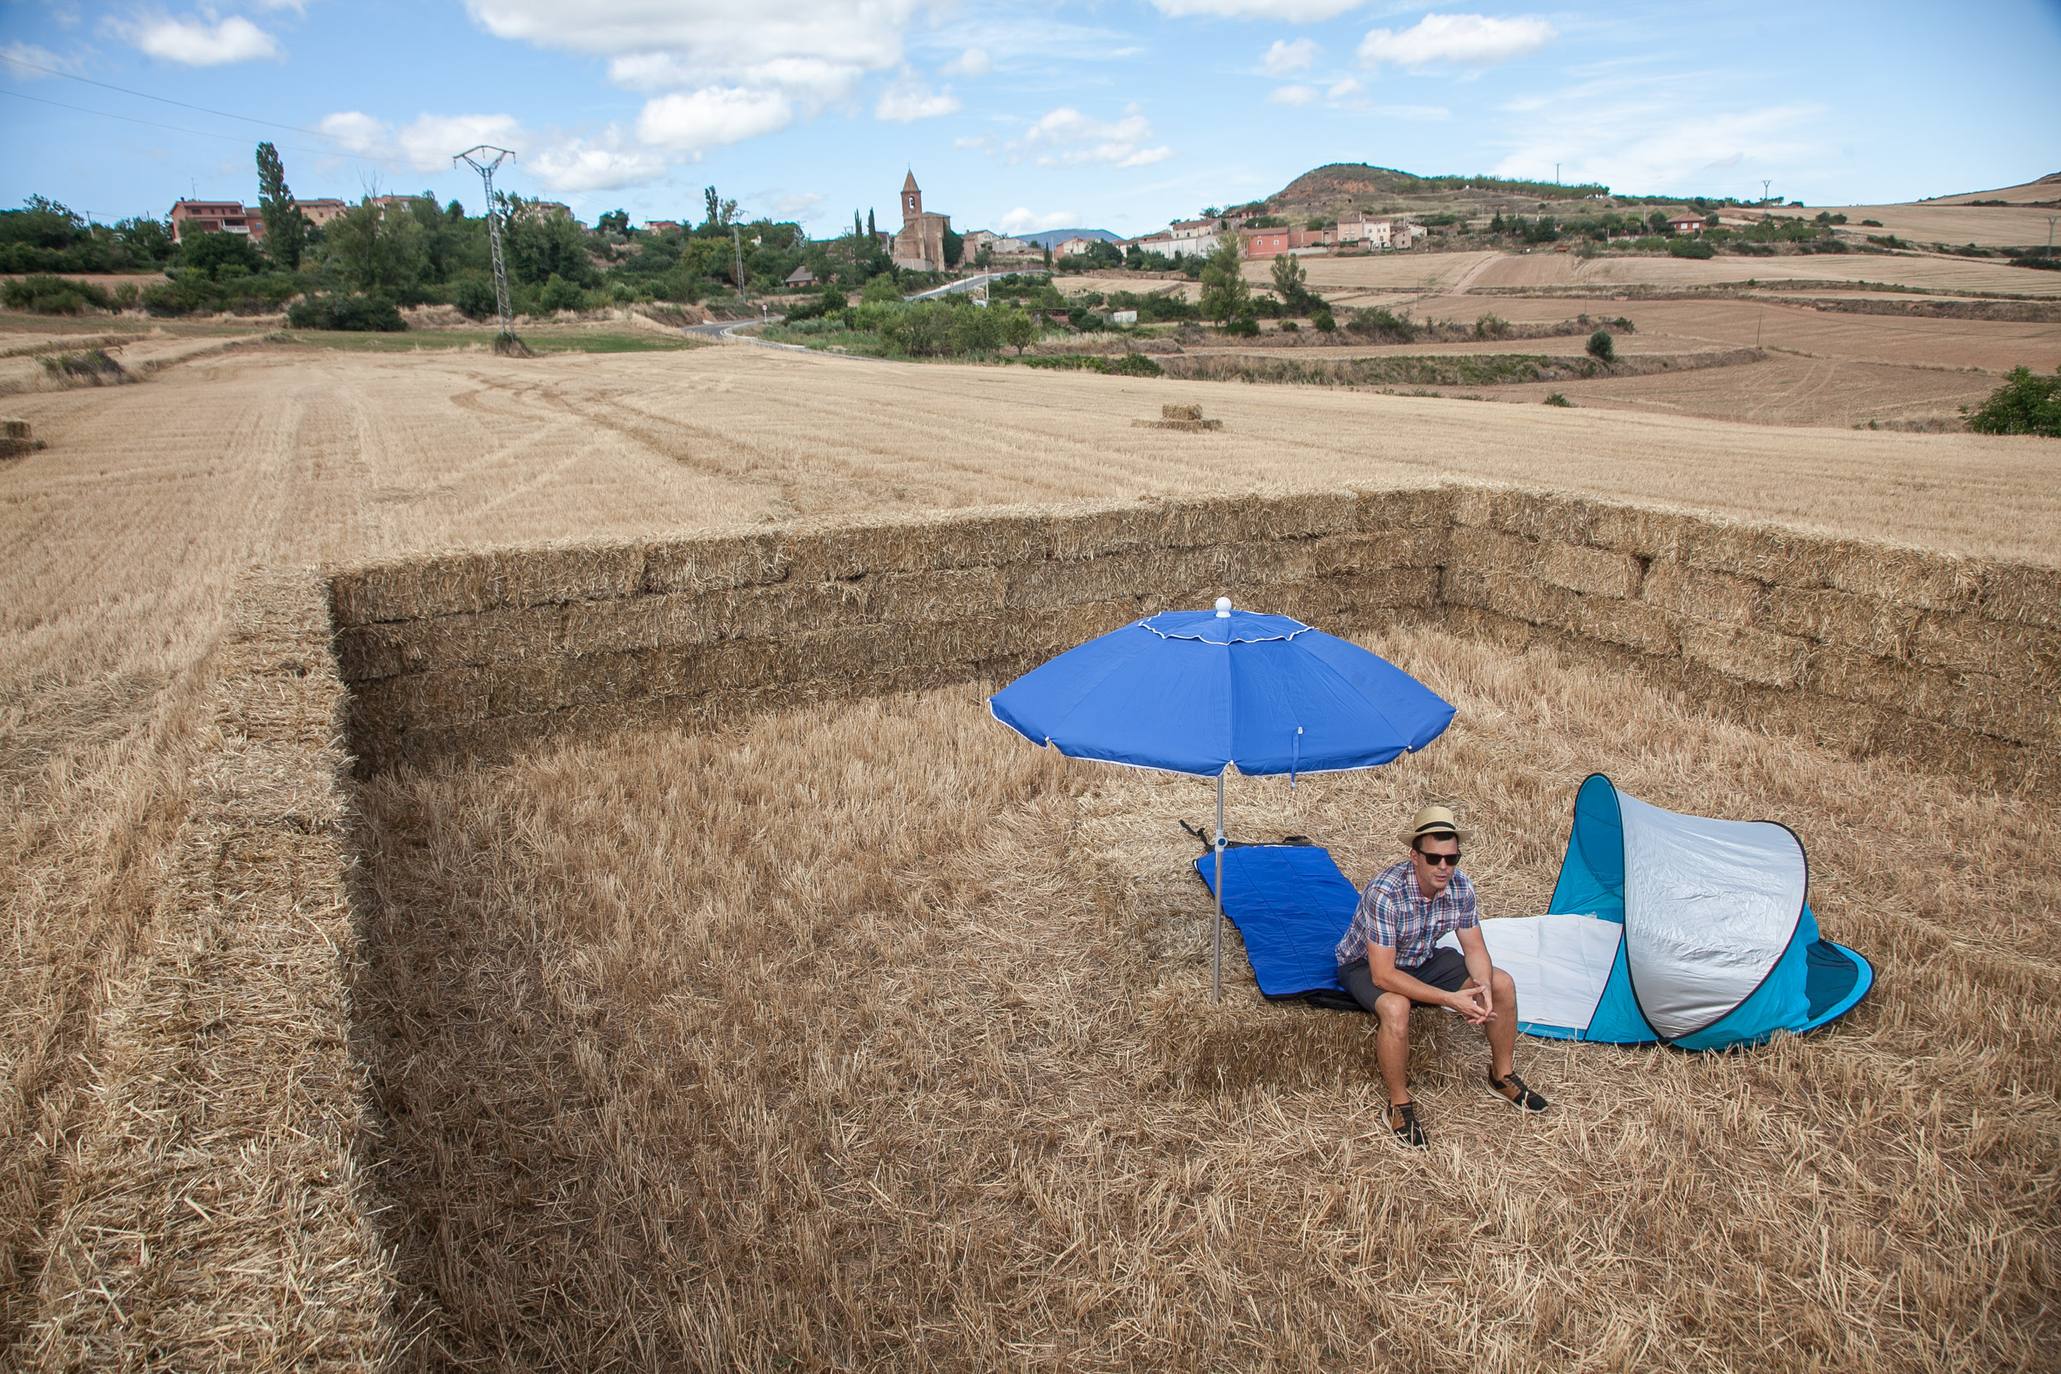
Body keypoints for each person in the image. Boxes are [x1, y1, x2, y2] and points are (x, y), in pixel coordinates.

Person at [1335, 804, 1548, 1149]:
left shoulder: (1461, 886)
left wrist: (1483, 989)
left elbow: (1475, 948)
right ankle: (1399, 1102)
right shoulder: (1385, 893)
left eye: (1451, 858)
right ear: (1414, 856)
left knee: (1502, 983)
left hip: (1423, 958)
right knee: (1395, 1008)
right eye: (1434, 858)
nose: (1444, 867)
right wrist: (1449, 999)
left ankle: (1502, 1075)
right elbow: (1384, 974)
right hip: (1366, 965)